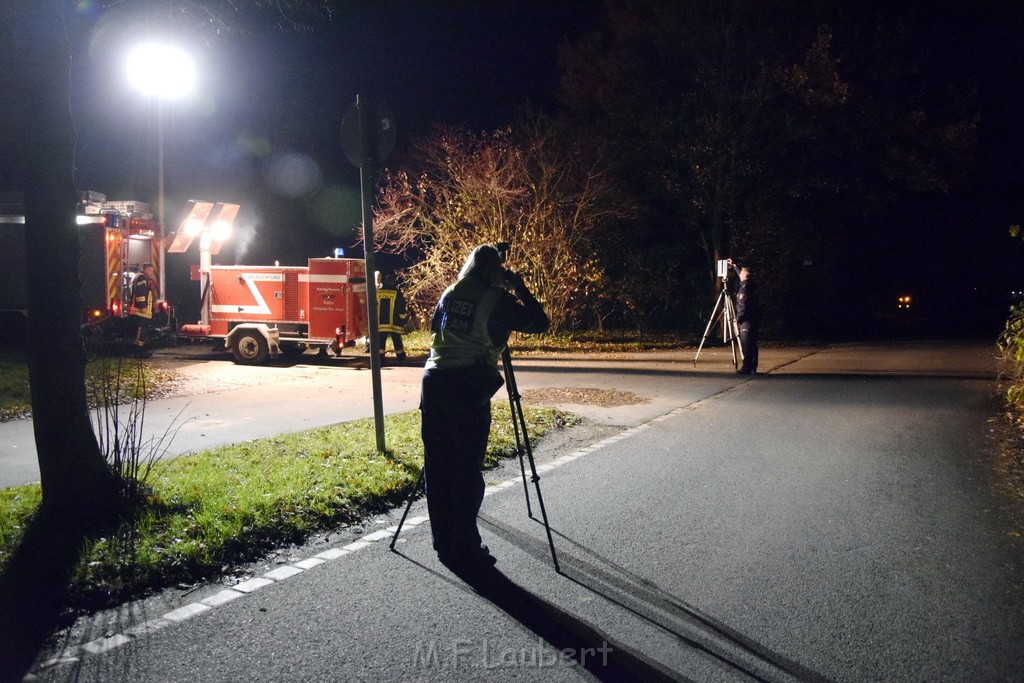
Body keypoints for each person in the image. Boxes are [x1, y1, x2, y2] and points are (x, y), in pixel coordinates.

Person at [420, 244, 549, 573]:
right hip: (466, 387)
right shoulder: (495, 299)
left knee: (438, 468)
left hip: (433, 383)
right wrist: (518, 286)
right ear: (495, 271)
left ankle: (443, 541)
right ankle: (466, 547)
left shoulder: (450, 291)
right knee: (466, 471)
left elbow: (435, 328)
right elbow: (539, 322)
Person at [728, 259, 758, 374]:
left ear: (744, 276)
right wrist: (735, 265)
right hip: (753, 319)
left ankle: (746, 367)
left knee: (746, 345)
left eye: (740, 273)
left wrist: (738, 319)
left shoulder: (744, 290)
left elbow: (742, 306)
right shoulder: (751, 286)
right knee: (753, 344)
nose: (739, 274)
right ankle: (753, 367)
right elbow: (743, 273)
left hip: (746, 321)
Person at [375, 271, 409, 362]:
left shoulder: (378, 292)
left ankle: (380, 358)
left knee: (381, 341)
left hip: (380, 323)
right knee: (397, 340)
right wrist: (404, 319)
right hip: (395, 323)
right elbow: (401, 307)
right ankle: (401, 357)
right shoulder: (396, 292)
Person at [128, 263, 157, 358]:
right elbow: (140, 293)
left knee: (142, 330)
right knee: (141, 330)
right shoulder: (143, 278)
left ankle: (140, 351)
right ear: (147, 269)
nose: (152, 273)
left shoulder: (140, 277)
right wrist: (143, 307)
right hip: (141, 311)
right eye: (151, 270)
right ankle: (139, 352)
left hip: (142, 310)